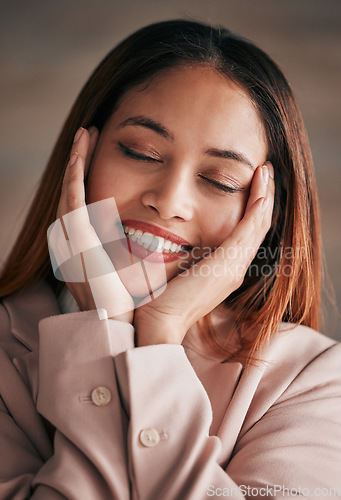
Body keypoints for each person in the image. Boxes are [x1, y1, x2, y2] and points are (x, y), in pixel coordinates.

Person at [0, 19, 340, 500]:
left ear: (263, 212)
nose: (170, 201)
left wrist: (159, 333)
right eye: (141, 152)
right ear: (85, 152)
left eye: (221, 180)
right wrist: (104, 330)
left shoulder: (315, 379)